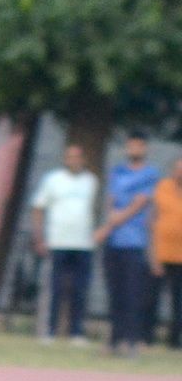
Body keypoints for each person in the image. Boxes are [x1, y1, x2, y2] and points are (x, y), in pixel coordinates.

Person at [96, 132, 158, 357]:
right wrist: (111, 224)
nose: (134, 150)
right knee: (115, 294)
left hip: (134, 242)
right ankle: (114, 340)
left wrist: (112, 223)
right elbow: (112, 201)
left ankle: (132, 341)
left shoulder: (150, 174)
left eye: (138, 146)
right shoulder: (118, 172)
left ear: (144, 149)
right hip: (114, 241)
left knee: (133, 294)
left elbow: (140, 203)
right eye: (130, 146)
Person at [30, 143, 99, 344]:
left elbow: (92, 209)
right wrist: (39, 237)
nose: (73, 161)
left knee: (80, 289)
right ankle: (50, 330)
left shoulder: (91, 181)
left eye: (77, 157)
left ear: (83, 160)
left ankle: (76, 332)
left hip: (83, 243)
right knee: (55, 288)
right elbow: (38, 207)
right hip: (58, 241)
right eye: (70, 157)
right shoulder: (53, 180)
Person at [151, 155, 182, 349]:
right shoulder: (162, 187)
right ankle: (146, 337)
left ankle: (174, 340)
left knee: (178, 301)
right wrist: (152, 254)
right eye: (178, 169)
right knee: (151, 297)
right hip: (161, 253)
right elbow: (152, 218)